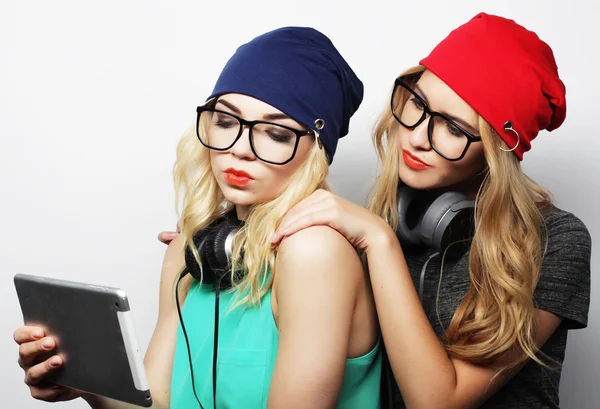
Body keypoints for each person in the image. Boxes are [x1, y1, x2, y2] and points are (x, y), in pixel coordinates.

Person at [14, 27, 382, 409]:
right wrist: (84, 379)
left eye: (275, 133)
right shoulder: (191, 254)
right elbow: (156, 403)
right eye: (225, 122)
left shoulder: (315, 252)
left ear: (316, 150)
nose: (240, 149)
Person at [265, 13, 590, 409]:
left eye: (453, 128)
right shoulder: (386, 218)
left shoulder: (556, 240)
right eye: (418, 103)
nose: (416, 137)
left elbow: (438, 401)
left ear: (496, 151)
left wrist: (379, 243)